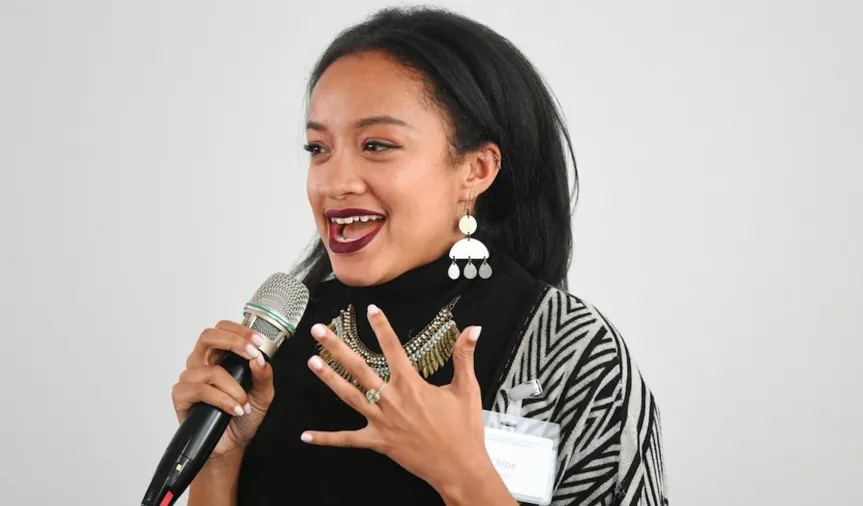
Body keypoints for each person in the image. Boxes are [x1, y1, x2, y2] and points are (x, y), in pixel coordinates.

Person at [171, 6, 667, 505]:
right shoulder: (282, 347)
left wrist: (462, 474)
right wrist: (218, 460)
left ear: (475, 170)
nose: (334, 182)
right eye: (318, 148)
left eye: (377, 145)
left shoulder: (569, 354)